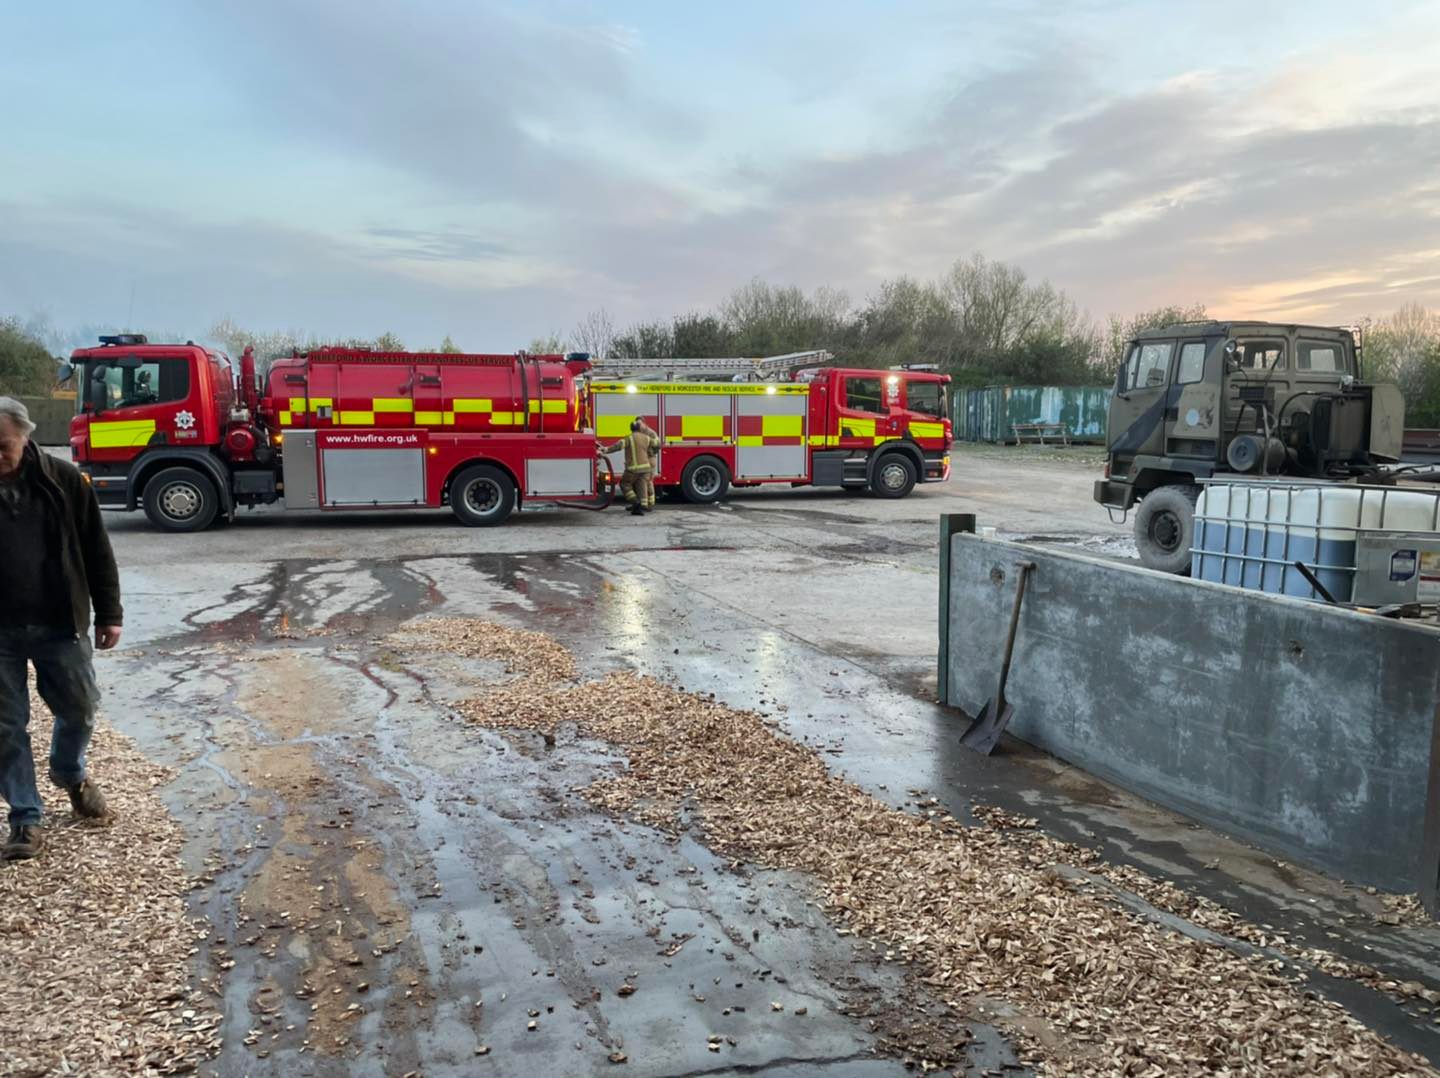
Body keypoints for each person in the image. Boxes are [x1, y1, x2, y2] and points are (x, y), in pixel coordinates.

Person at [0, 397, 122, 862]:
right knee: (6, 727)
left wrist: (111, 613)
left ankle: (69, 773)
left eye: (3, 446)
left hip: (59, 623)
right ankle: (25, 819)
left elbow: (97, 548)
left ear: (25, 437)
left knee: (81, 710)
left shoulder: (64, 481)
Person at [600, 418, 660, 516]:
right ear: (639, 428)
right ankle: (642, 506)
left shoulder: (629, 438)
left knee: (624, 484)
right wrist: (652, 452)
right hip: (646, 469)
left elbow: (617, 447)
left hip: (633, 469)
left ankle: (635, 502)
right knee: (641, 486)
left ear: (631, 429)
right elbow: (657, 444)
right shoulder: (646, 437)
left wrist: (605, 450)